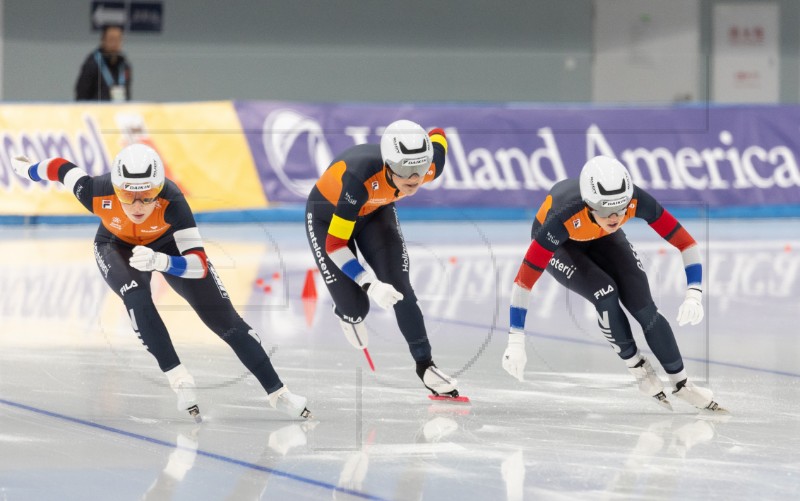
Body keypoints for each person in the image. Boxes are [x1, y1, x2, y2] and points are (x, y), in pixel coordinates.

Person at [10, 144, 310, 420]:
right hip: (115, 246)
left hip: (168, 247)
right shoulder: (95, 190)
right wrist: (27, 169)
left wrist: (162, 261)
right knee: (137, 296)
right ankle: (179, 379)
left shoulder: (173, 201)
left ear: (159, 190)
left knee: (224, 319)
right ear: (116, 189)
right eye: (128, 196)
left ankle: (278, 393)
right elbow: (61, 168)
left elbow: (199, 266)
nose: (138, 205)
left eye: (147, 195)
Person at [501, 155, 727, 414]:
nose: (616, 218)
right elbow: (523, 281)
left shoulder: (633, 202)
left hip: (601, 236)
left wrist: (694, 293)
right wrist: (516, 339)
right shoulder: (562, 217)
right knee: (605, 293)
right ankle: (638, 369)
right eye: (607, 211)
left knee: (644, 307)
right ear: (588, 205)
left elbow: (686, 243)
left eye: (621, 210)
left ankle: (682, 383)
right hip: (563, 245)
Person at [304, 119, 462, 399]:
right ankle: (346, 313)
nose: (414, 178)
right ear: (388, 164)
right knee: (356, 309)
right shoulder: (358, 178)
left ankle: (426, 366)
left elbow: (439, 134)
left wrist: (429, 137)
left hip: (376, 213)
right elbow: (336, 245)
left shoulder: (428, 167)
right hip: (327, 220)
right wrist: (369, 283)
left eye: (421, 168)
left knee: (401, 288)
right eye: (404, 170)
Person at [75, 25, 132, 102]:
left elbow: (127, 94)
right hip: (97, 111)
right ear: (103, 41)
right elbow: (82, 94)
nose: (115, 44)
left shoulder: (124, 65)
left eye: (118, 39)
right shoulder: (92, 63)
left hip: (119, 111)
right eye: (111, 39)